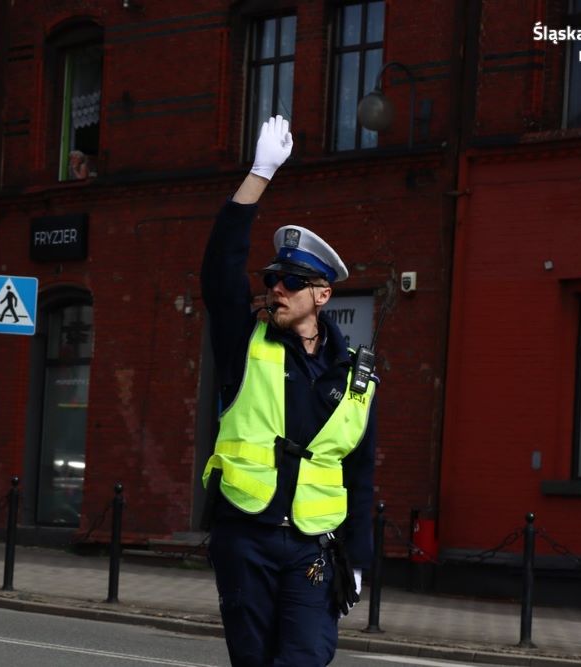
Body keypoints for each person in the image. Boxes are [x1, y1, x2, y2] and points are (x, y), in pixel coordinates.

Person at [200, 115, 379, 666]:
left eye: (292, 282)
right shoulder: (243, 342)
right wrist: (259, 174)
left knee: (305, 658)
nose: (276, 288)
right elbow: (218, 268)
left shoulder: (357, 375)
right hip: (245, 535)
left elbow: (361, 472)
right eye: (272, 279)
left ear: (321, 295)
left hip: (315, 547)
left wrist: (358, 557)